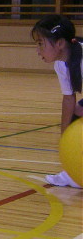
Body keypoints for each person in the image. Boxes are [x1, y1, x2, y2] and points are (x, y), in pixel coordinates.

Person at [32, 15, 83, 188]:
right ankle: (72, 172)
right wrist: (65, 139)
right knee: (77, 112)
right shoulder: (61, 65)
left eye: (41, 44)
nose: (37, 51)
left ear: (60, 43)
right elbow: (68, 99)